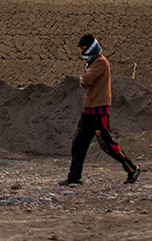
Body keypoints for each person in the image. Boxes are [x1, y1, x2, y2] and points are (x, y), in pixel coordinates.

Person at [60, 33, 141, 186]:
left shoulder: (100, 63)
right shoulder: (92, 63)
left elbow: (86, 80)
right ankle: (74, 178)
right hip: (89, 111)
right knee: (78, 144)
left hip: (99, 112)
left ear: (90, 48)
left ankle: (132, 169)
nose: (82, 53)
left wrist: (82, 77)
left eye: (84, 49)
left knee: (107, 145)